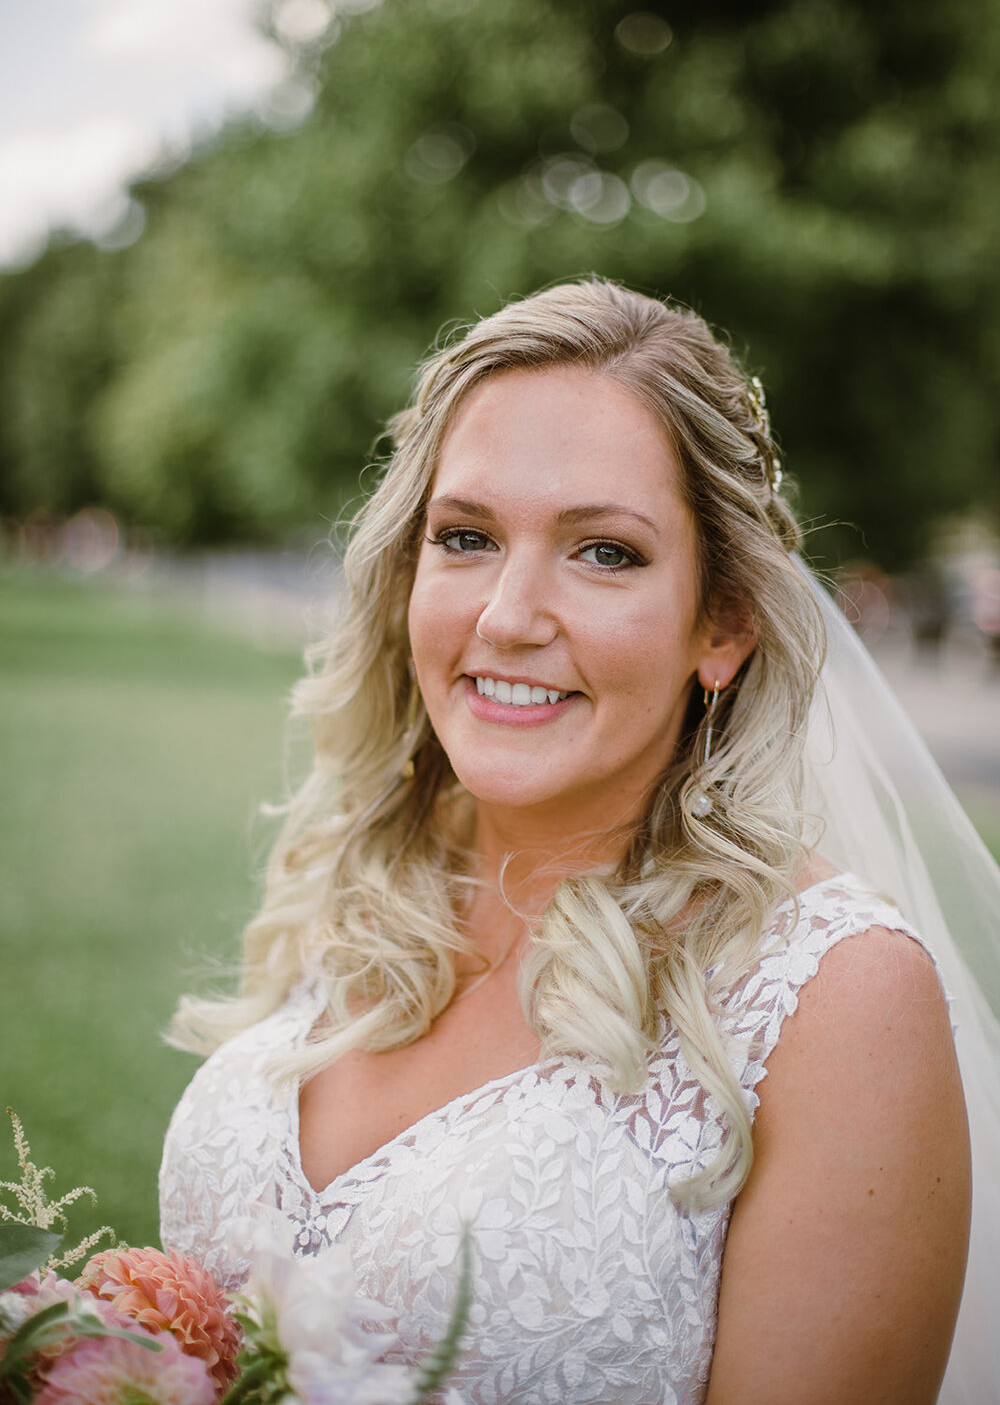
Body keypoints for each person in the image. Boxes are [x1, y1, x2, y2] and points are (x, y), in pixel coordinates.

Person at [159, 279, 999, 1404]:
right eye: (464, 537)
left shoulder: (832, 997)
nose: (508, 614)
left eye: (603, 553)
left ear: (723, 624)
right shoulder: (358, 885)